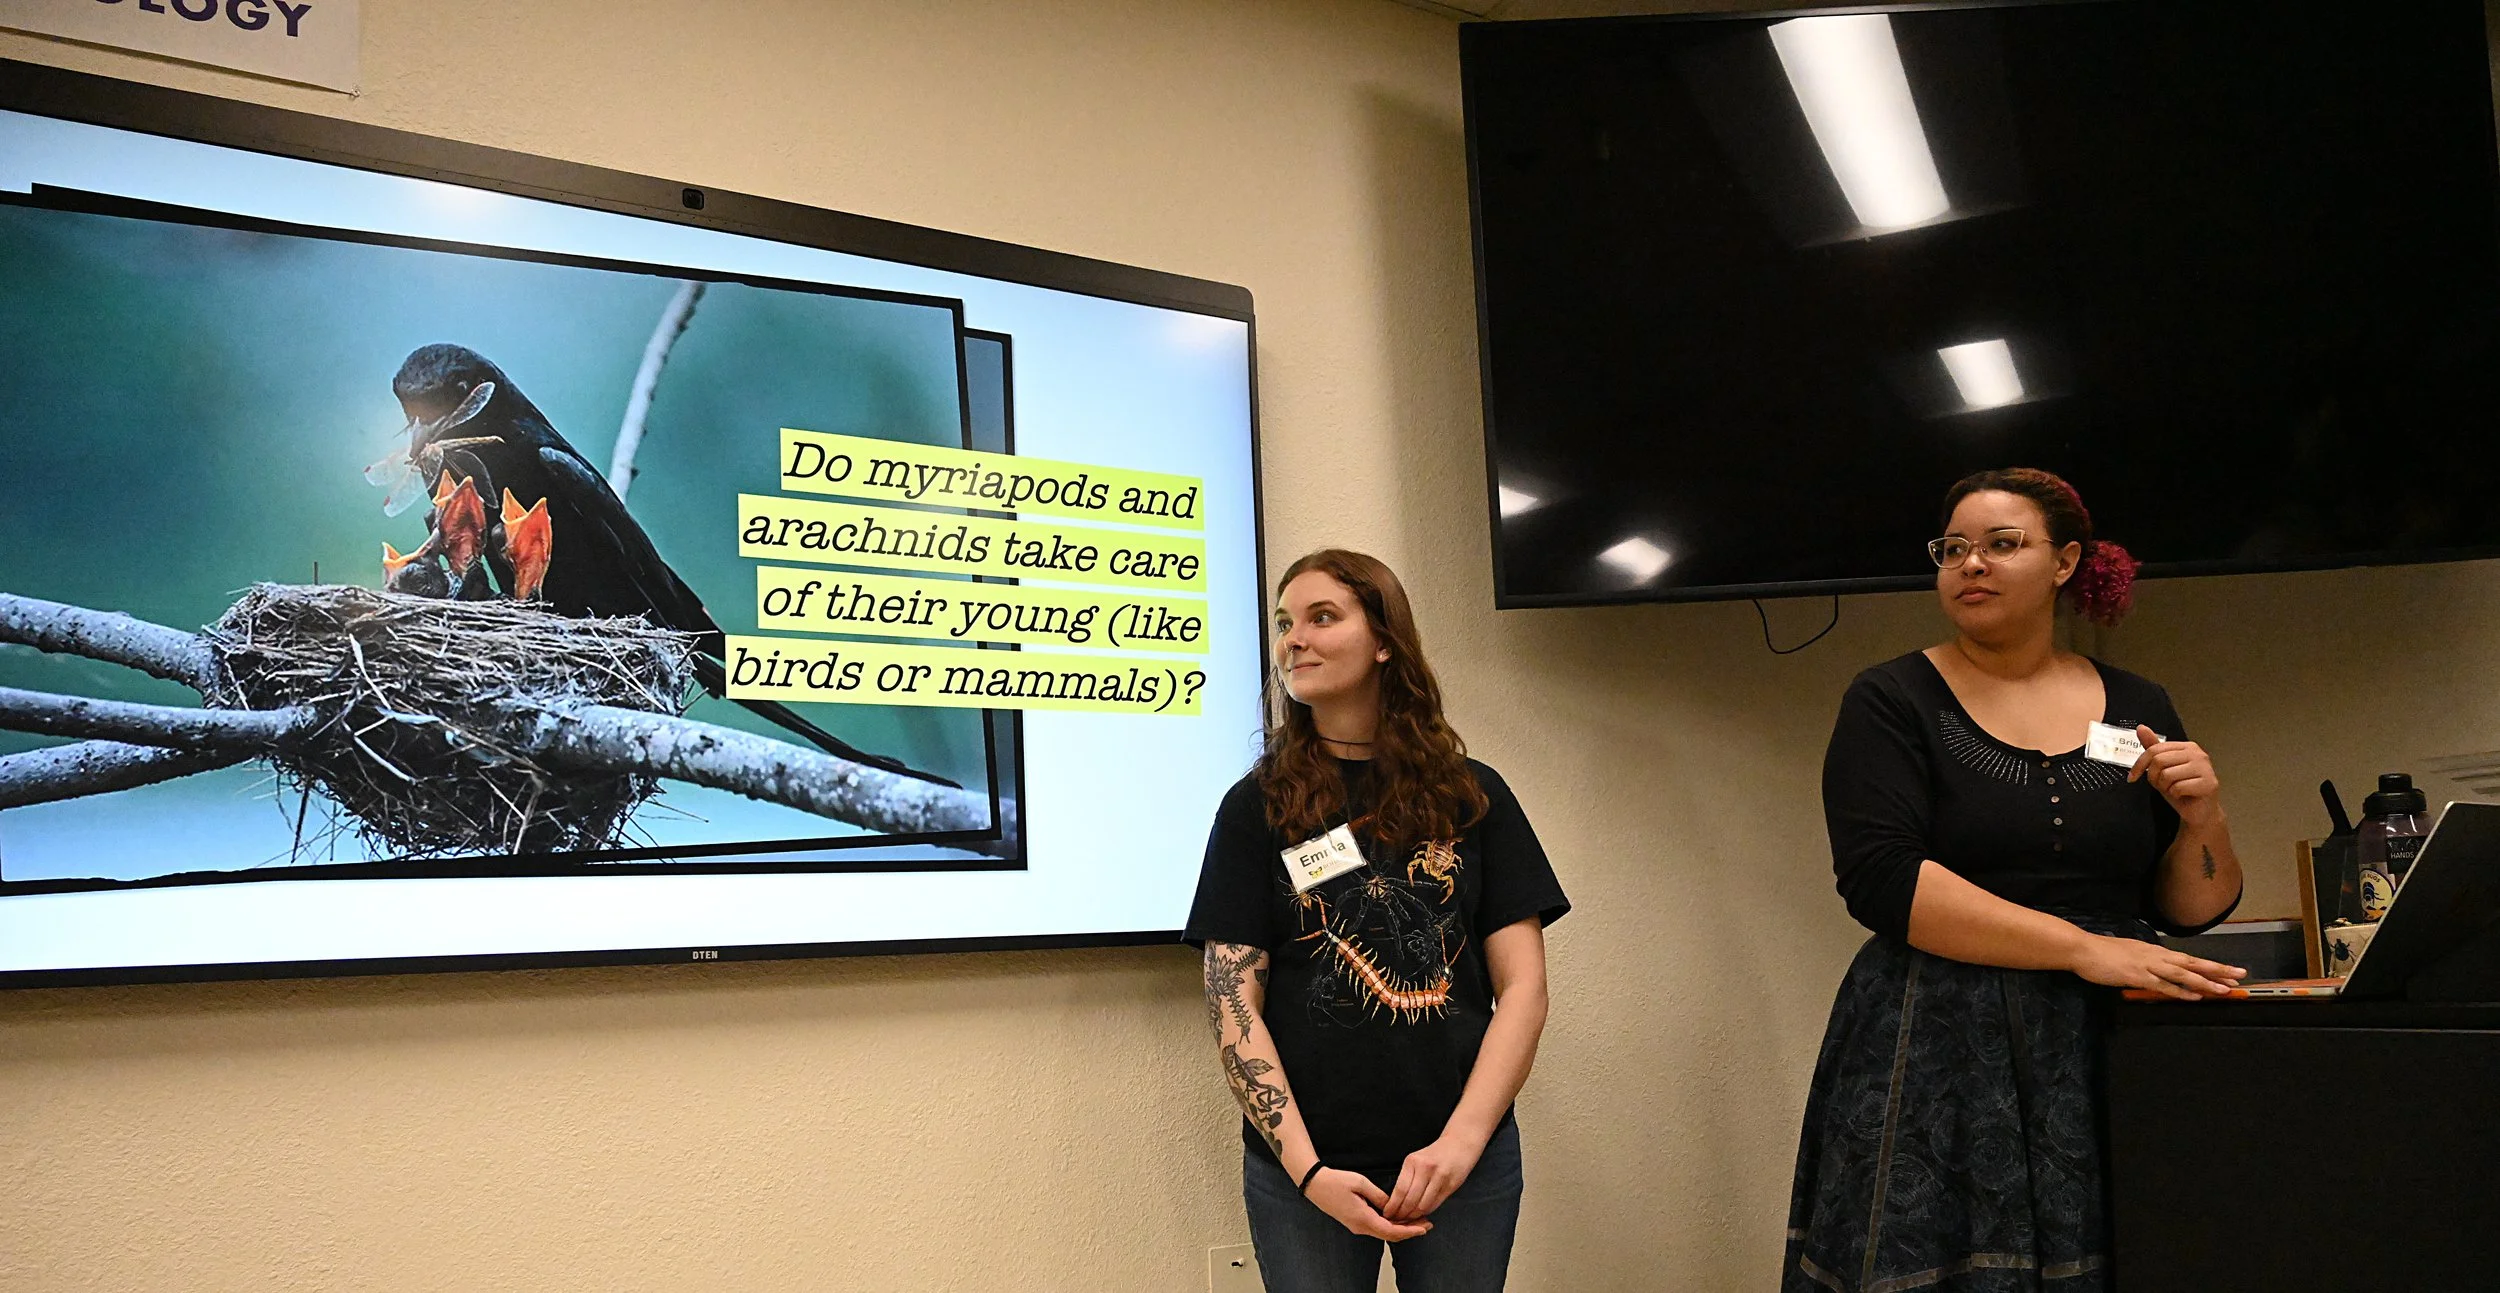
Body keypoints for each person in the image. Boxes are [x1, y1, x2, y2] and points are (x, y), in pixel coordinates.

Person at [1785, 468, 2247, 1293]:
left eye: (2002, 545)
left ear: (2066, 563)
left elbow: (2193, 908)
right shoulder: (1892, 698)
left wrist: (2205, 815)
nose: (1971, 565)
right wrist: (2081, 949)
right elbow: (1885, 880)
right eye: (1953, 549)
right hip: (1936, 1036)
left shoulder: (2137, 703)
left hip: (2110, 1040)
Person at [1185, 549, 1570, 1293]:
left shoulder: (1472, 796)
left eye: (1322, 617)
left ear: (1384, 638)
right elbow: (1231, 1002)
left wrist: (1461, 1144)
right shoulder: (1255, 806)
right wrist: (1310, 1172)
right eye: (1284, 623)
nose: (1294, 638)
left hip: (1463, 1164)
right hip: (1307, 1172)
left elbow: (1523, 987)